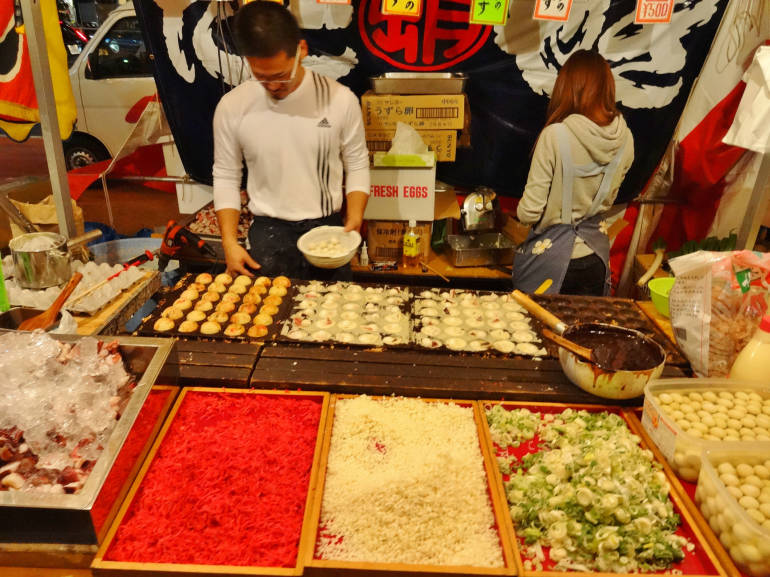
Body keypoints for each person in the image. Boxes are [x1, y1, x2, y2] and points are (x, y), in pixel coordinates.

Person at [213, 1, 369, 280]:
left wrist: (355, 217)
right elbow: (226, 175)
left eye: (281, 76)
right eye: (261, 77)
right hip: (268, 233)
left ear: (302, 50)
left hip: (327, 230)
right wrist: (228, 242)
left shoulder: (339, 99)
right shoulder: (232, 106)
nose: (273, 86)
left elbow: (357, 163)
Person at [512, 50, 634, 296]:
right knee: (584, 333)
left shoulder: (555, 136)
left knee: (537, 332)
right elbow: (608, 201)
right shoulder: (626, 138)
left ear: (567, 87)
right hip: (597, 259)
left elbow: (529, 212)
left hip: (552, 262)